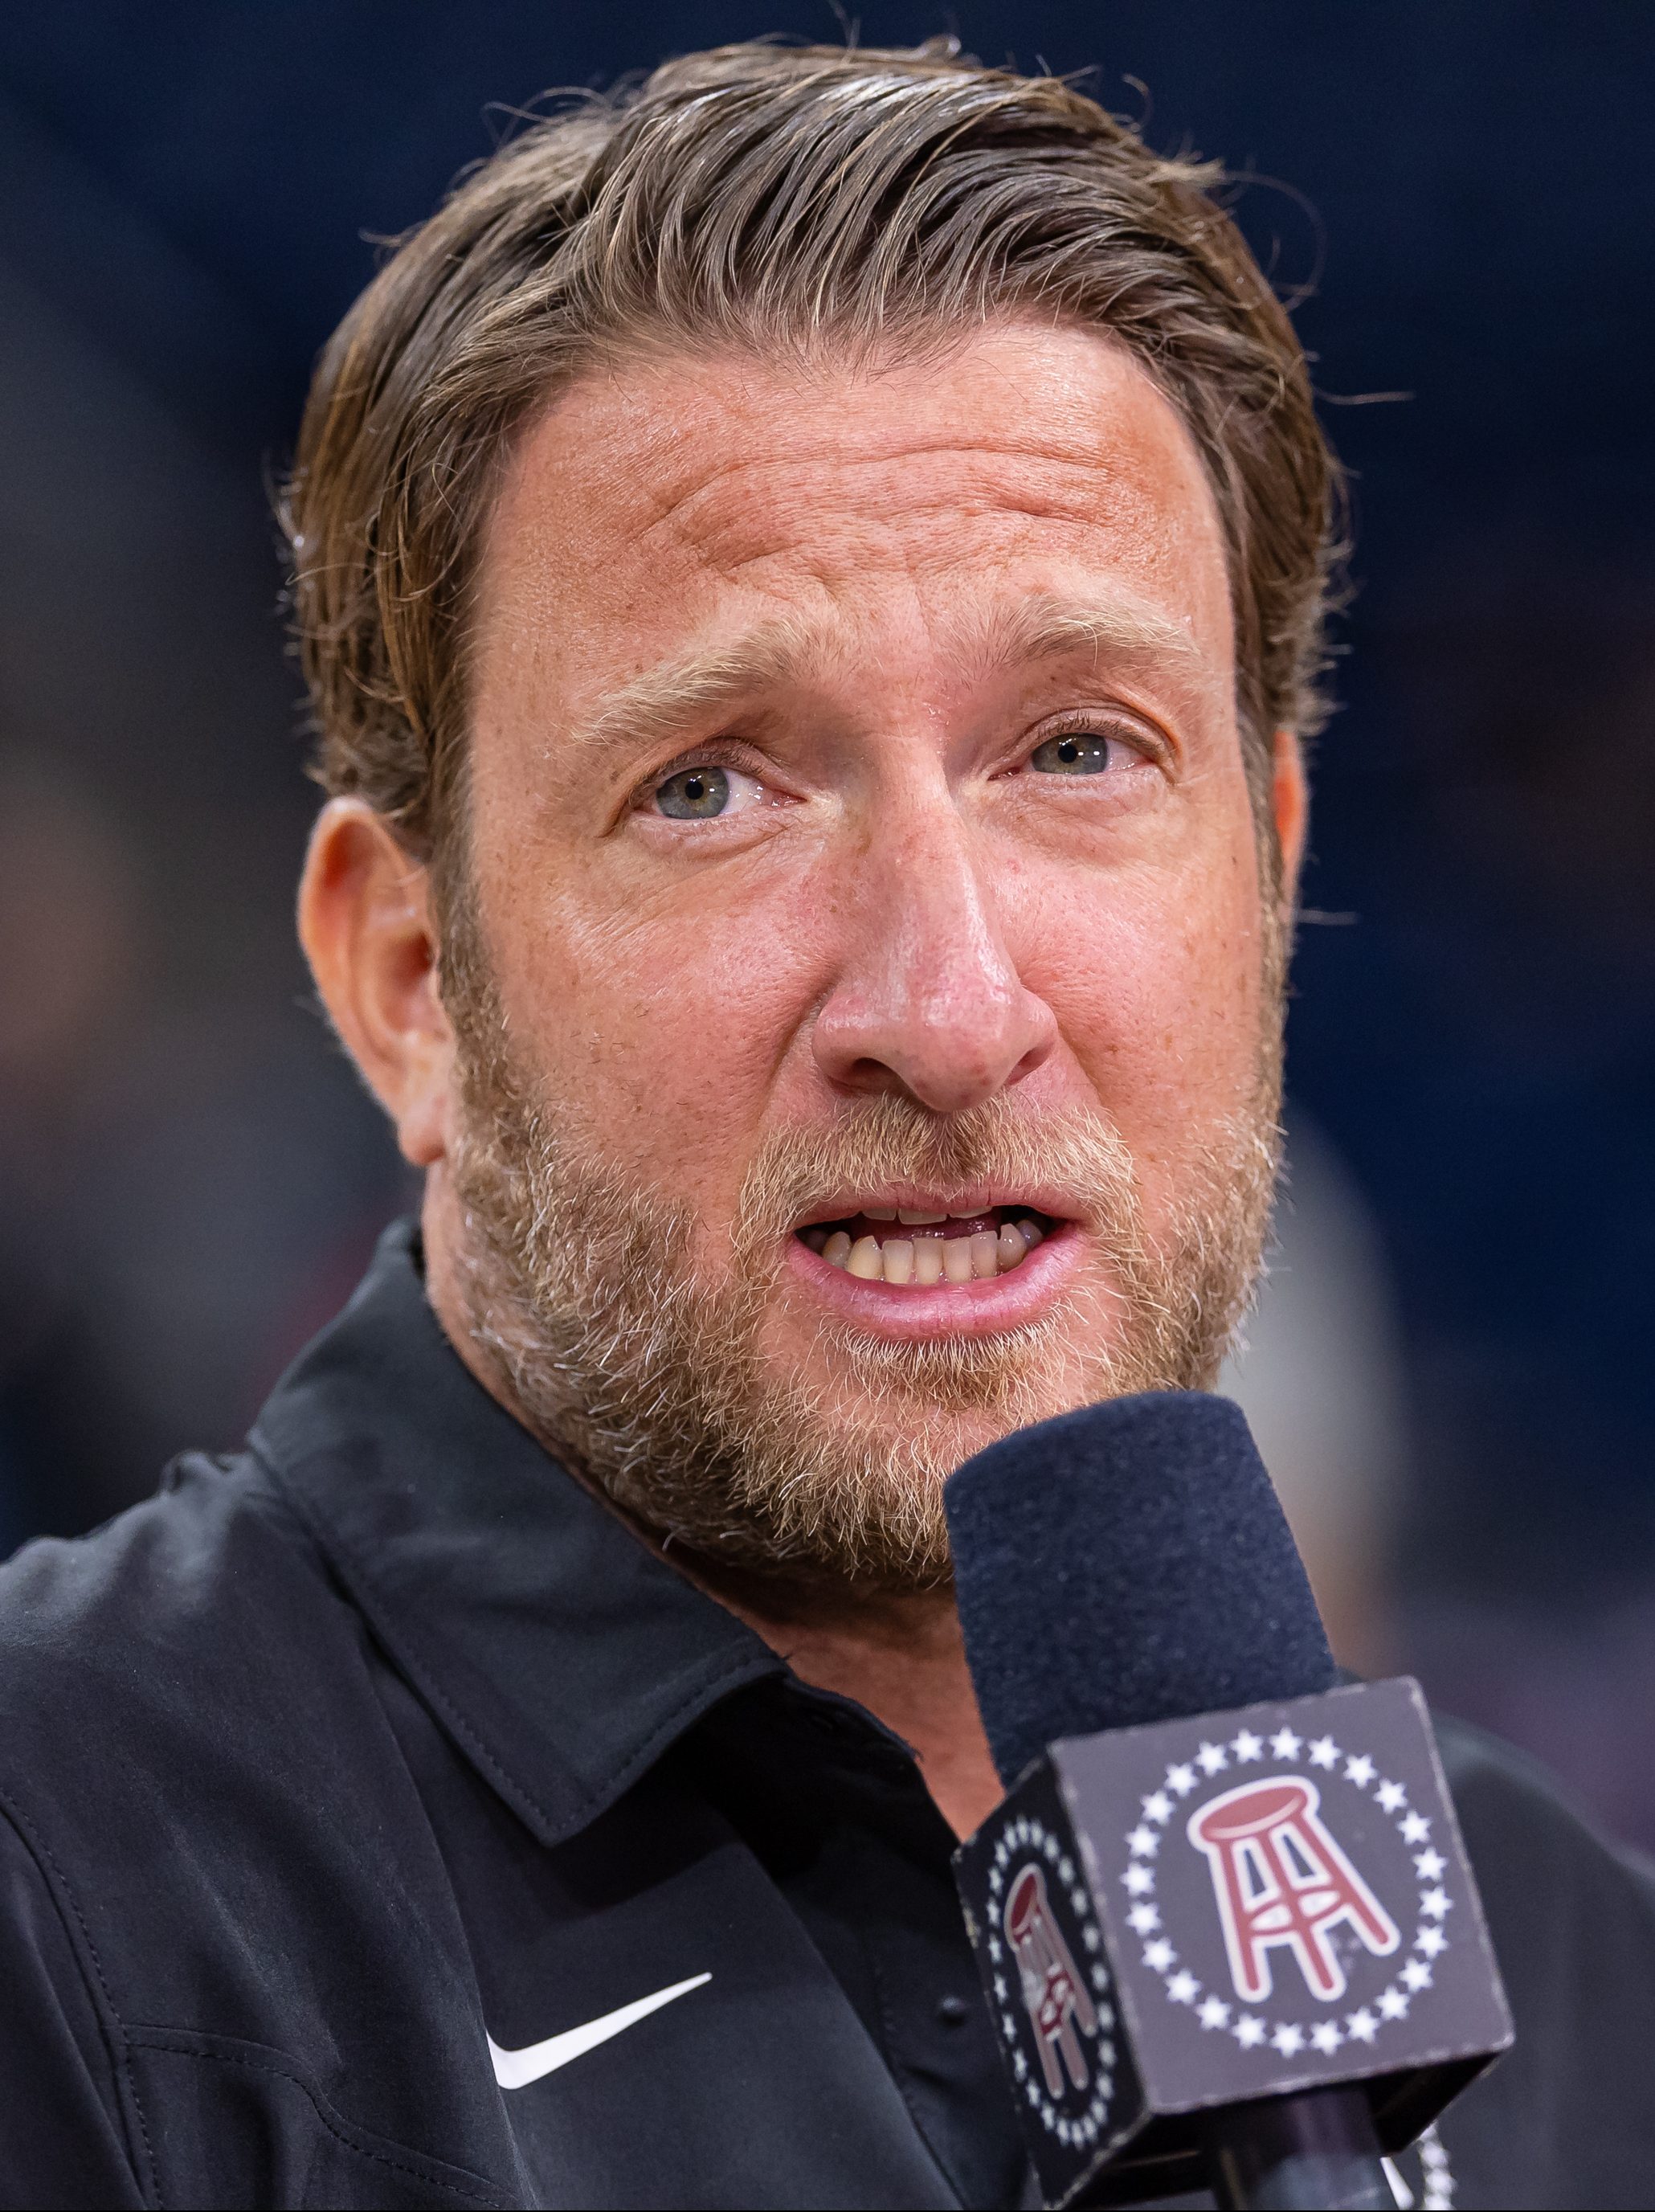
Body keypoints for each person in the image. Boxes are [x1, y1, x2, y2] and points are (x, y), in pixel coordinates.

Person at [1, 40, 1651, 2210]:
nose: (951, 1012)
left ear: (1265, 872)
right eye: (709, 786)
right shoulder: (60, 1901)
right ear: (405, 979)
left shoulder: (1572, 1973)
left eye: (1075, 749)